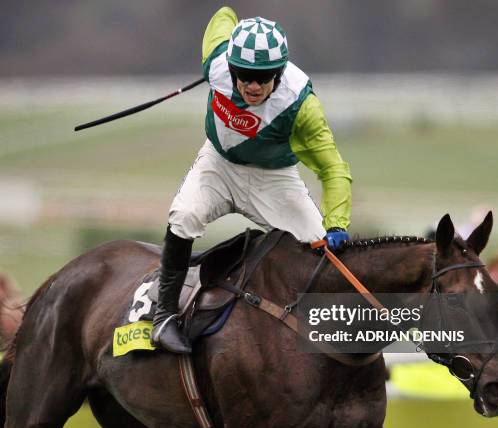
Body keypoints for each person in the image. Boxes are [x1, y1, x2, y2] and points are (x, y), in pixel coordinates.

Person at [151, 7, 353, 353]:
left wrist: (336, 224)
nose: (253, 86)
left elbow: (333, 169)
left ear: (280, 71)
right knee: (183, 216)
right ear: (230, 66)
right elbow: (223, 14)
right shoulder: (216, 59)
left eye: (265, 76)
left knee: (323, 252)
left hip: (274, 180)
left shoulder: (301, 105)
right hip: (217, 165)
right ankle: (164, 317)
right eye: (243, 75)